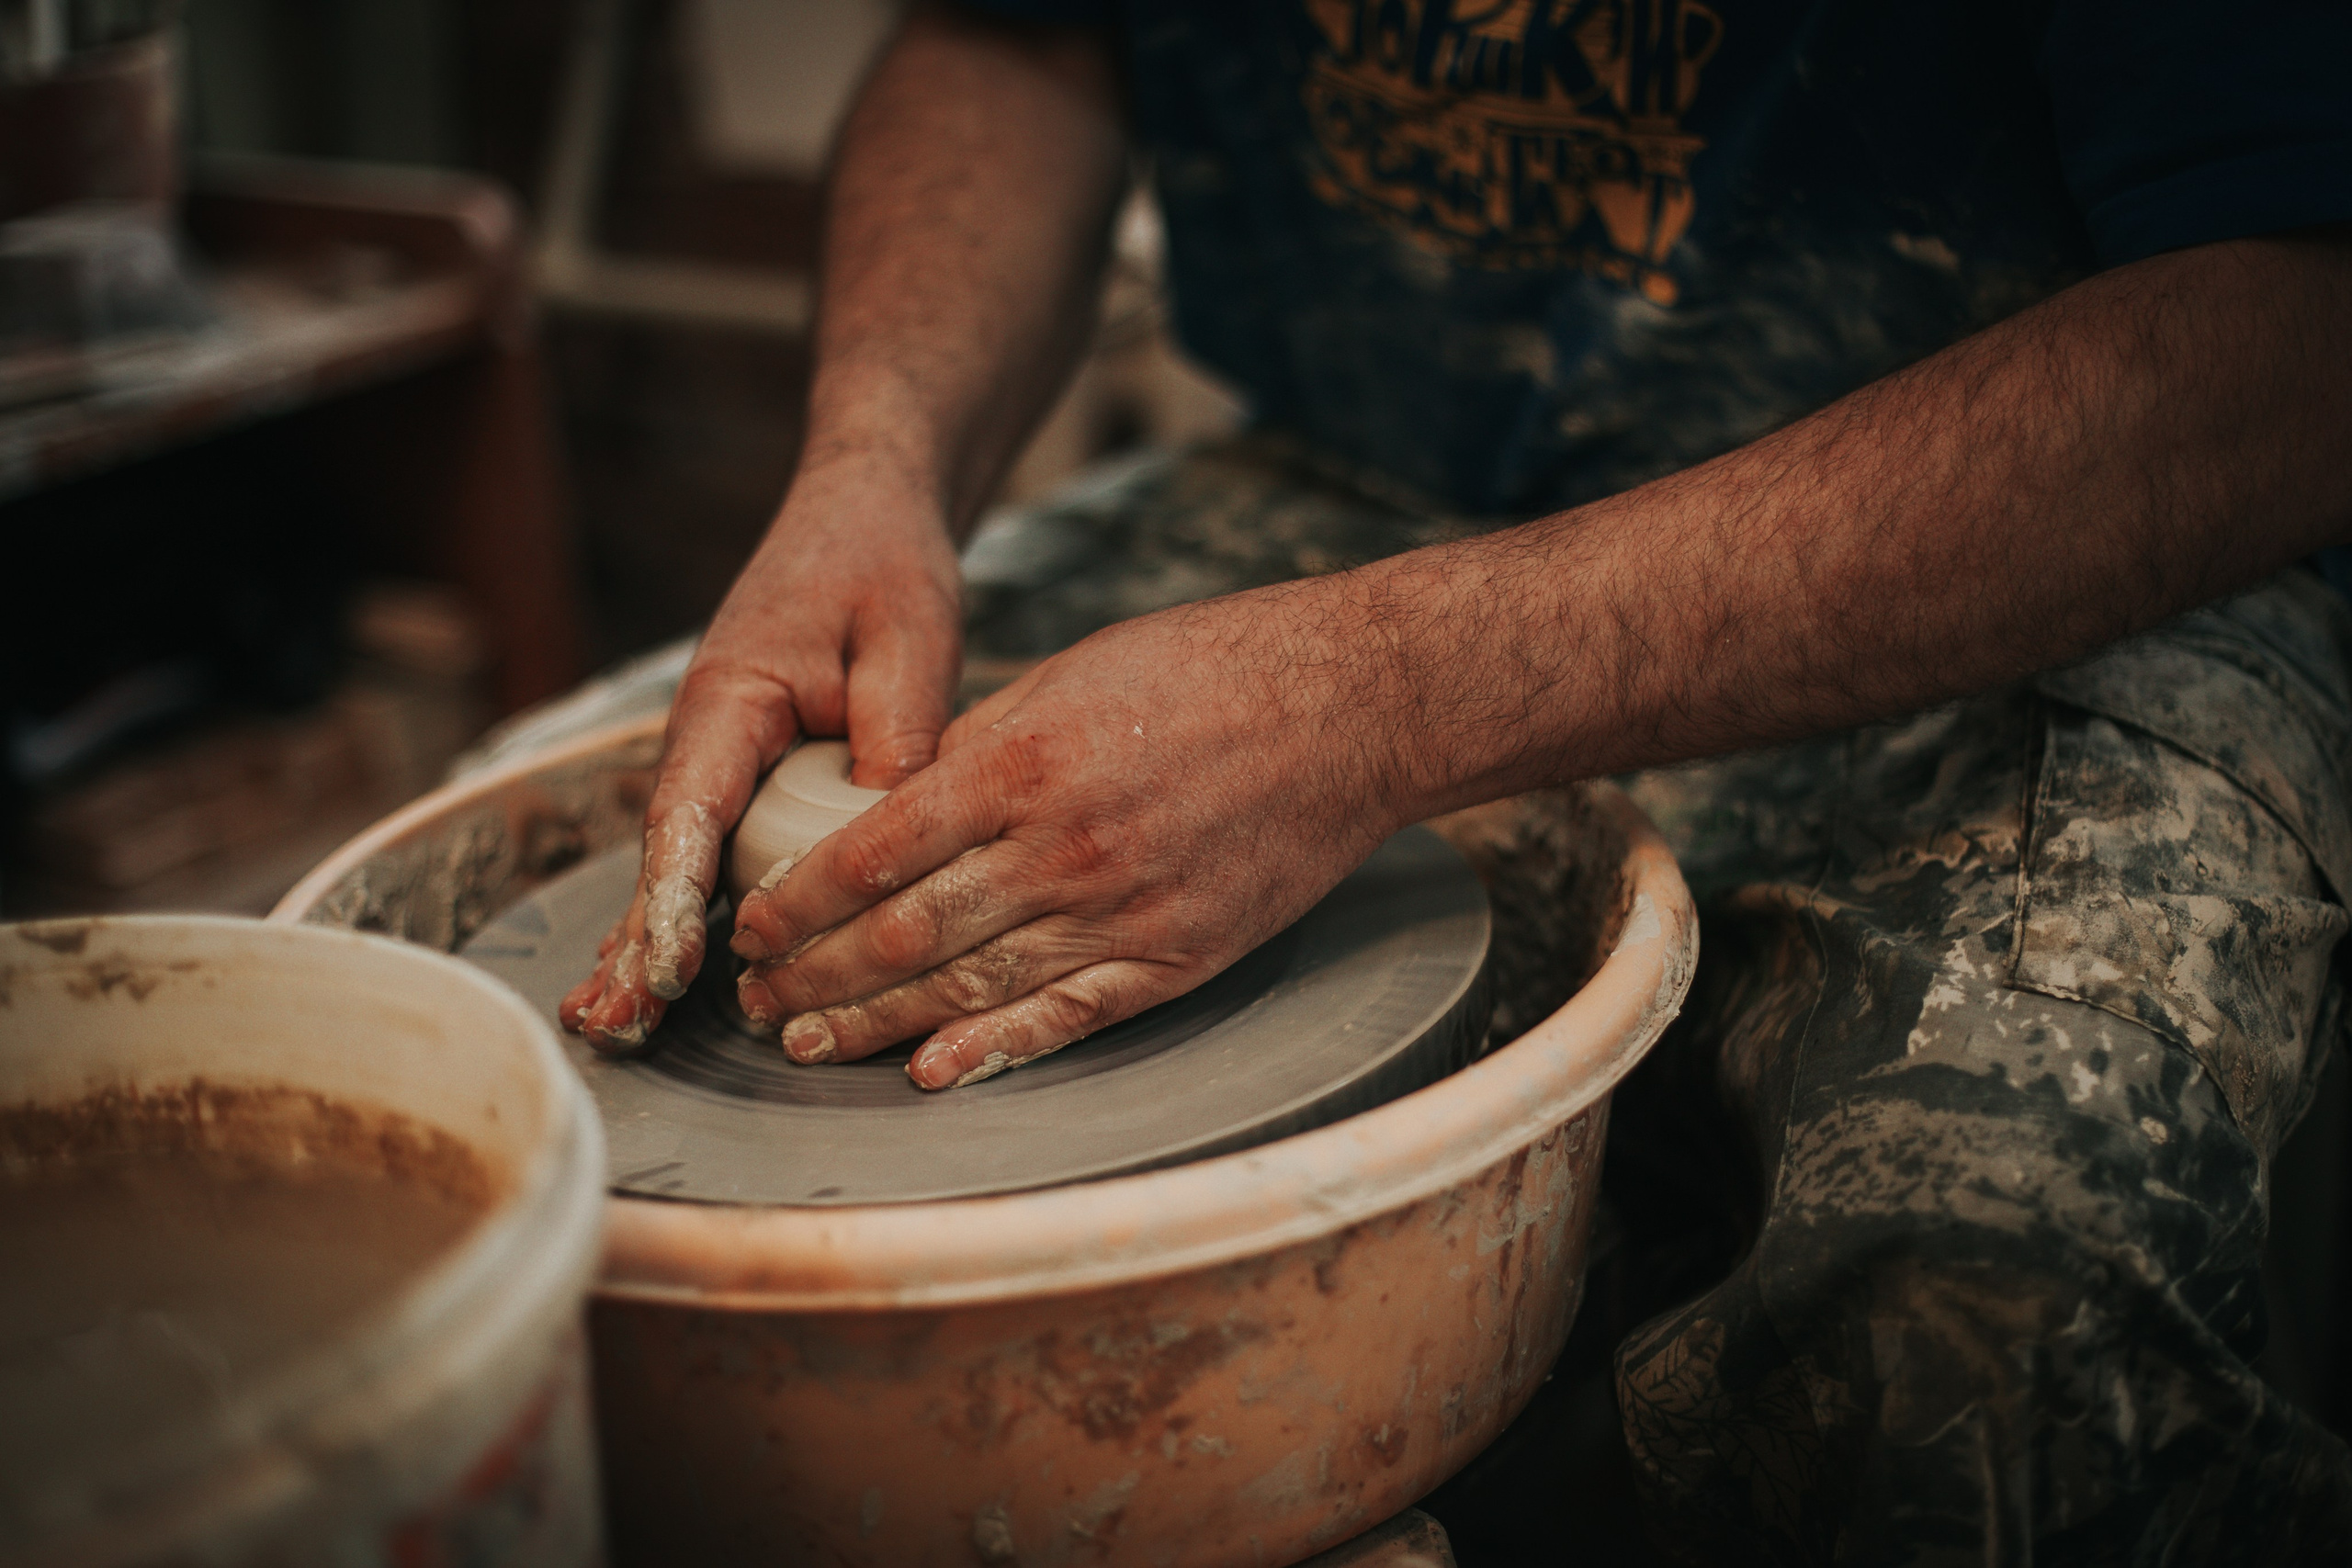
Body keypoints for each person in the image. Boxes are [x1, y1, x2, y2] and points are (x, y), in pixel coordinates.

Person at [560, 1, 2352, 1556]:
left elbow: (2291, 321)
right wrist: (870, 465)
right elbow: (1015, 32)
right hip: (1359, 469)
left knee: (1976, 1294)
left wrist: (1364, 696)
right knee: (539, 960)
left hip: (2007, 515)